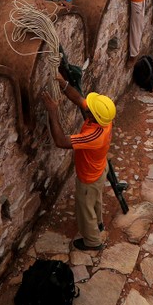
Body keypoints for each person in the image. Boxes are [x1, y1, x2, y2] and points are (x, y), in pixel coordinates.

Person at [41, 74, 116, 251]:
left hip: (89, 178)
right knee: (95, 201)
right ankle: (98, 224)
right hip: (99, 169)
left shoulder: (94, 136)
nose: (86, 107)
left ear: (93, 116)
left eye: (89, 109)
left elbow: (60, 141)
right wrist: (64, 84)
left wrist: (52, 112)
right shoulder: (104, 119)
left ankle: (92, 241)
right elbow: (79, 99)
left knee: (85, 210)